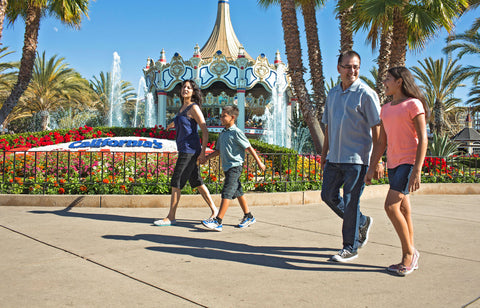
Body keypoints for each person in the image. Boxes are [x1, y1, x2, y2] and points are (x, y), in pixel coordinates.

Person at [320, 50, 383, 262]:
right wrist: (324, 153)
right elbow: (328, 127)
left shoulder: (366, 93)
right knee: (327, 195)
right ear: (339, 68)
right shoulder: (332, 94)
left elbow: (377, 129)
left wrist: (378, 161)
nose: (352, 70)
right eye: (347, 66)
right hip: (334, 158)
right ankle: (362, 222)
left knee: (351, 200)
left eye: (356, 66)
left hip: (357, 159)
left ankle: (350, 247)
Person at [365, 67, 429, 276]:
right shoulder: (386, 108)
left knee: (391, 207)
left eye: (388, 78)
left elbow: (423, 138)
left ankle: (408, 255)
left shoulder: (413, 104)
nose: (384, 82)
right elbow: (382, 141)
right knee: (403, 210)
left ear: (399, 81)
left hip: (408, 162)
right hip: (393, 162)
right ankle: (412, 252)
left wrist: (417, 170)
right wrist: (372, 166)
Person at [154, 80, 217, 226]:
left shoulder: (193, 107)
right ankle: (214, 210)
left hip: (190, 150)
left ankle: (171, 217)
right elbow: (180, 122)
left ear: (193, 92)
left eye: (189, 87)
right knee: (197, 182)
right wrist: (169, 126)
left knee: (176, 181)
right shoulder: (182, 108)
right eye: (183, 87)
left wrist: (202, 152)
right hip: (184, 149)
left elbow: (204, 130)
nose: (185, 89)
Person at [201, 105, 266, 232]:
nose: (221, 118)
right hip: (227, 167)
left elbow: (249, 147)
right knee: (238, 192)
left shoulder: (237, 132)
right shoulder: (224, 133)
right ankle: (248, 216)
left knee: (227, 192)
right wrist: (206, 158)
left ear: (232, 117)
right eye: (221, 115)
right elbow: (218, 150)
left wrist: (259, 163)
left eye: (224, 116)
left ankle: (218, 221)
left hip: (235, 167)